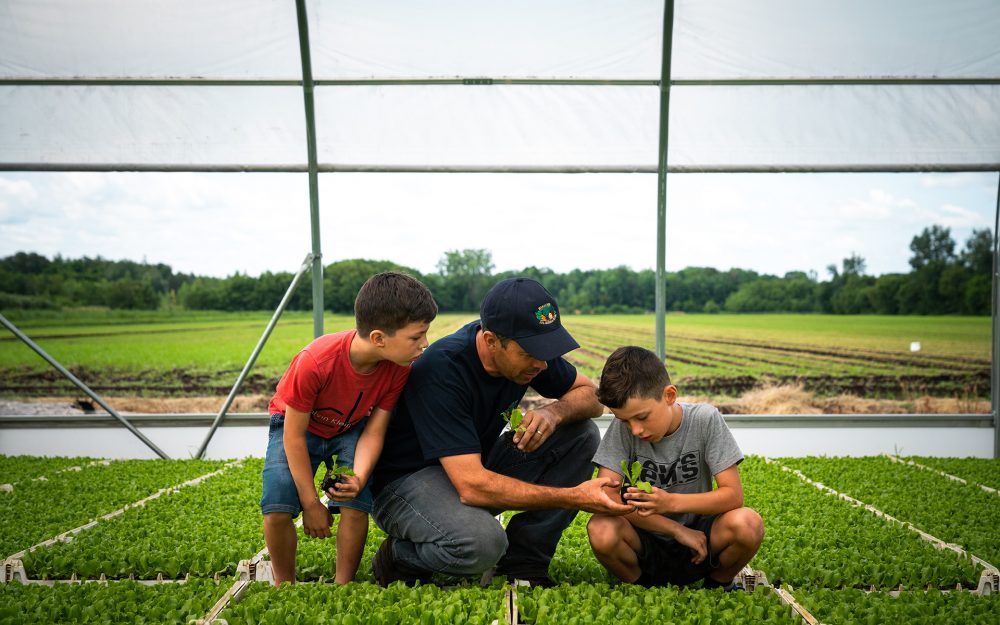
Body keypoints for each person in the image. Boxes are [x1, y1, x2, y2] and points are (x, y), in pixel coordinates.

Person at [369, 277, 632, 588]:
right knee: (481, 545)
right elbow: (472, 487)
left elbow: (591, 395)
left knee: (582, 435)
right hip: (407, 482)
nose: (543, 364)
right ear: (492, 341)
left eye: (546, 350)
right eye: (531, 352)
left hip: (468, 464)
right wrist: (574, 496)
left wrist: (554, 412)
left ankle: (524, 564)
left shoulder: (529, 358)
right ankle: (399, 557)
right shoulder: (442, 370)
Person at [259, 271, 438, 585]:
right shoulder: (315, 362)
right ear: (379, 338)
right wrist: (312, 503)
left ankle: (344, 585)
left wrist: (360, 477)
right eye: (416, 337)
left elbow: (374, 431)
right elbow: (293, 436)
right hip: (298, 429)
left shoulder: (398, 368)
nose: (424, 344)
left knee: (355, 503)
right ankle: (283, 584)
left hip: (351, 428)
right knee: (277, 506)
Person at [587, 346, 764, 590]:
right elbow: (608, 497)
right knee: (600, 528)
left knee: (748, 524)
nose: (635, 430)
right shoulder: (623, 430)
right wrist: (675, 529)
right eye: (624, 421)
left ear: (669, 395)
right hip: (645, 540)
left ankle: (717, 584)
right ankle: (642, 586)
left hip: (702, 538)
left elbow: (733, 495)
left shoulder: (705, 420)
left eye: (642, 417)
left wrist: (670, 503)